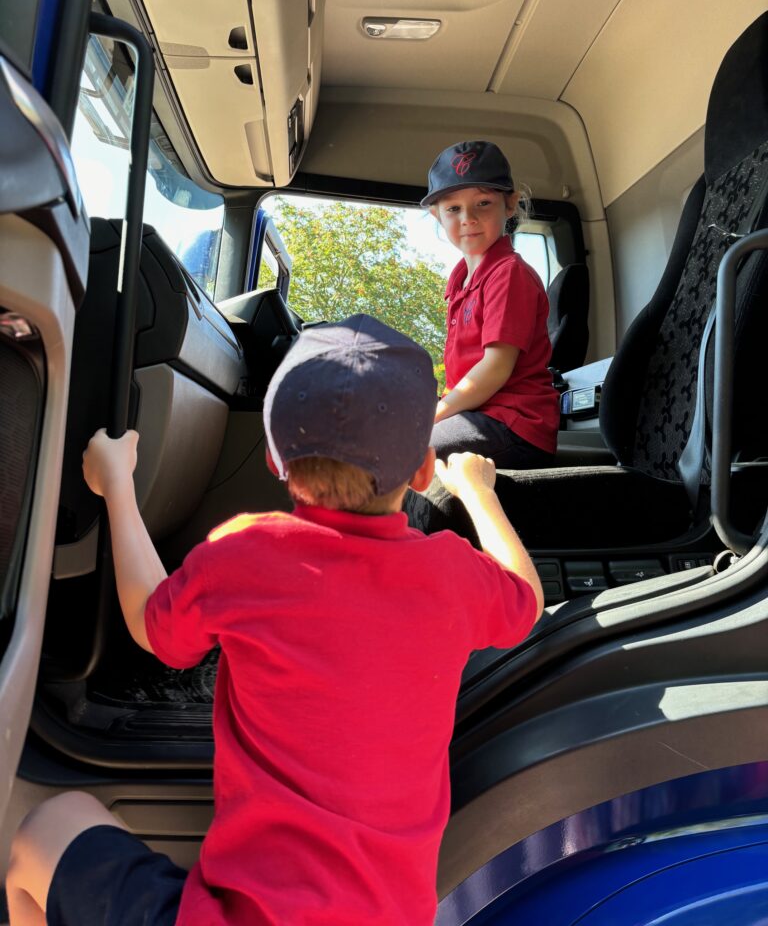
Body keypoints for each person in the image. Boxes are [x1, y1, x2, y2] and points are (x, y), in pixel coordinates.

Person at [7, 314, 543, 926]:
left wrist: (117, 485)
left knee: (47, 826)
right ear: (424, 470)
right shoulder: (454, 575)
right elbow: (524, 602)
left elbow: (147, 621)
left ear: (272, 457)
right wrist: (480, 494)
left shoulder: (244, 555)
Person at [424, 139, 560, 469]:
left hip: (515, 425)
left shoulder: (508, 274)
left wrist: (432, 417)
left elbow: (495, 368)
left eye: (483, 203)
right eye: (453, 209)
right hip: (482, 416)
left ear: (509, 205)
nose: (468, 218)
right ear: (437, 215)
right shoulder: (460, 282)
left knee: (405, 450)